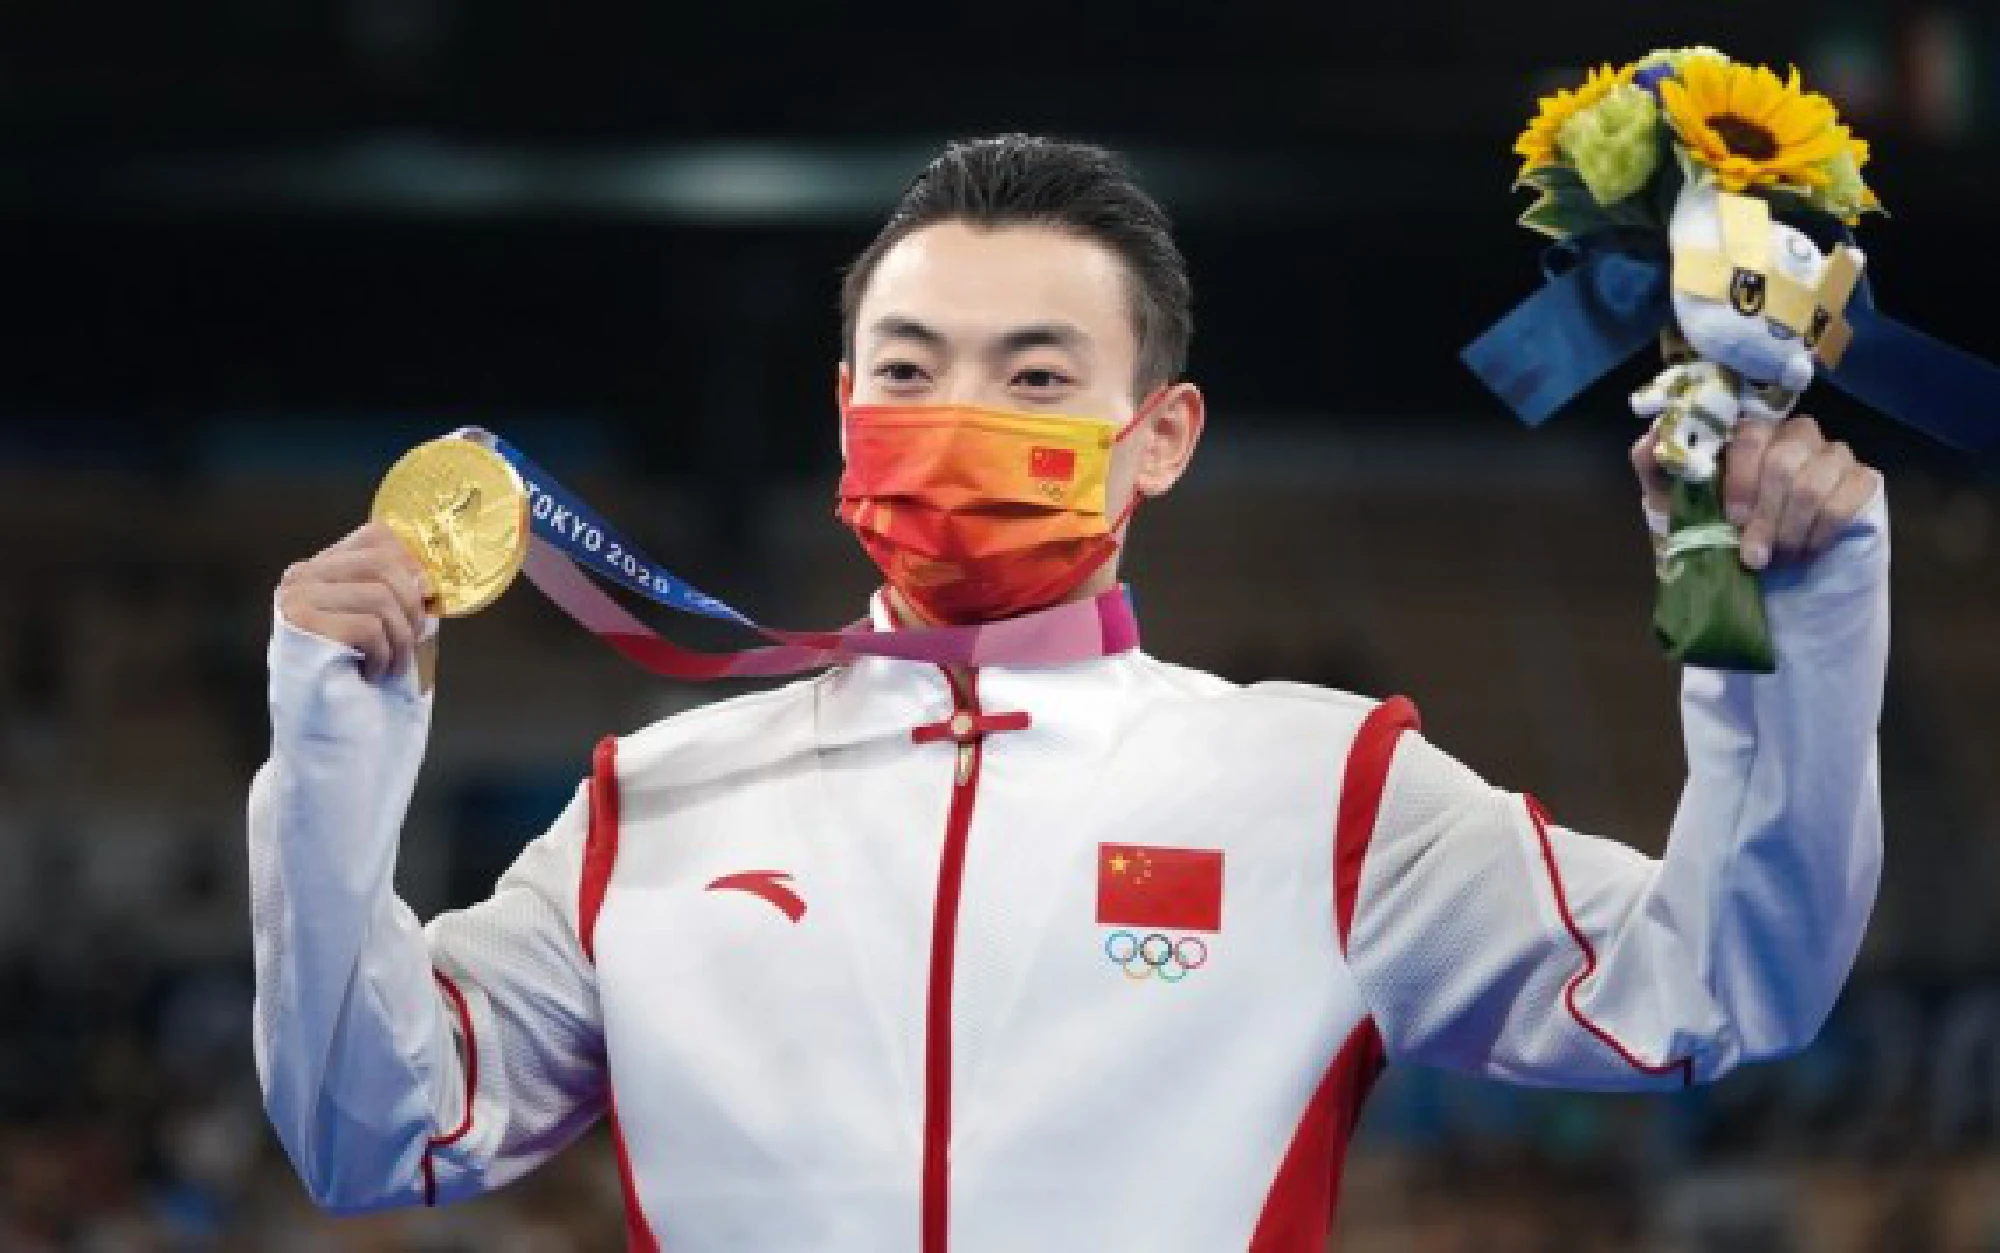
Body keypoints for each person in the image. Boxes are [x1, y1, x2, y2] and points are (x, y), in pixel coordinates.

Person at [248, 134, 1890, 1252]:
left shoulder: (1326, 792)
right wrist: (335, 756)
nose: (955, 413)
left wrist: (1780, 618)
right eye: (906, 369)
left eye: (1037, 377)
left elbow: (1721, 979)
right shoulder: (653, 805)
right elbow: (369, 1131)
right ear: (841, 410)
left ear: (1159, 434)